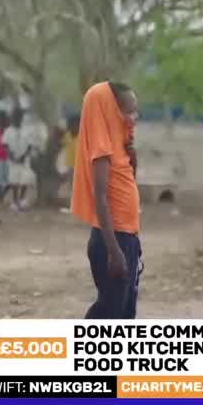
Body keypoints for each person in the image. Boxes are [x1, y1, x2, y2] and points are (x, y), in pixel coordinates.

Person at [71, 81, 142, 320]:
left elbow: (128, 181)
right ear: (110, 112)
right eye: (128, 111)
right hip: (112, 239)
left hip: (127, 236)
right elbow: (100, 198)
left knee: (124, 311)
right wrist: (115, 251)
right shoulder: (101, 150)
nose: (134, 117)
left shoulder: (120, 144)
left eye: (136, 111)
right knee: (108, 312)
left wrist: (133, 156)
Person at [3, 108, 37, 211]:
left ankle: (22, 199)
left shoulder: (27, 130)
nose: (17, 120)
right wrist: (12, 156)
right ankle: (14, 201)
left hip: (24, 160)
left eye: (19, 117)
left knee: (24, 180)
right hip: (13, 161)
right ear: (12, 119)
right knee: (14, 181)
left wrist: (24, 156)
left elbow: (30, 145)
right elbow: (5, 145)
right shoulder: (8, 131)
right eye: (15, 118)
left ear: (21, 118)